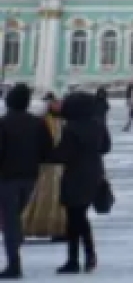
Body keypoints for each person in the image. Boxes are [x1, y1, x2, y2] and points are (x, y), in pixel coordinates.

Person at [53, 92, 110, 275]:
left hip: (75, 175)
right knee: (81, 217)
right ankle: (88, 254)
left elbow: (63, 154)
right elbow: (106, 147)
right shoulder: (98, 125)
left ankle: (74, 259)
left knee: (74, 219)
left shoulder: (71, 128)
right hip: (95, 173)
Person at [0, 83, 53, 279]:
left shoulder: (3, 123)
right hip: (30, 177)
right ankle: (14, 254)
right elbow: (48, 150)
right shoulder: (37, 123)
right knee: (15, 217)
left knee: (10, 220)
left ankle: (14, 263)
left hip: (7, 178)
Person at [20, 99, 64, 242]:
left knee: (58, 201)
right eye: (56, 102)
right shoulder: (42, 121)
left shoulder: (63, 120)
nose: (59, 105)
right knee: (40, 198)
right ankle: (26, 228)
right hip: (45, 167)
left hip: (58, 167)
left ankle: (58, 229)